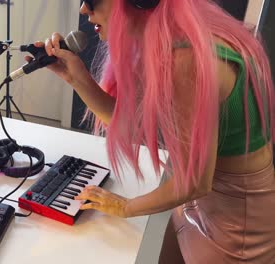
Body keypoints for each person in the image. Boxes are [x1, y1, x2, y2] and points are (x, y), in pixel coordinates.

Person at [28, 0, 275, 263]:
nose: (83, 9)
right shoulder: (168, 37)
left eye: (92, 0)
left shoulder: (187, 59)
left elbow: (193, 182)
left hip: (235, 225)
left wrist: (124, 207)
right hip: (200, 203)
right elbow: (132, 125)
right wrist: (74, 77)